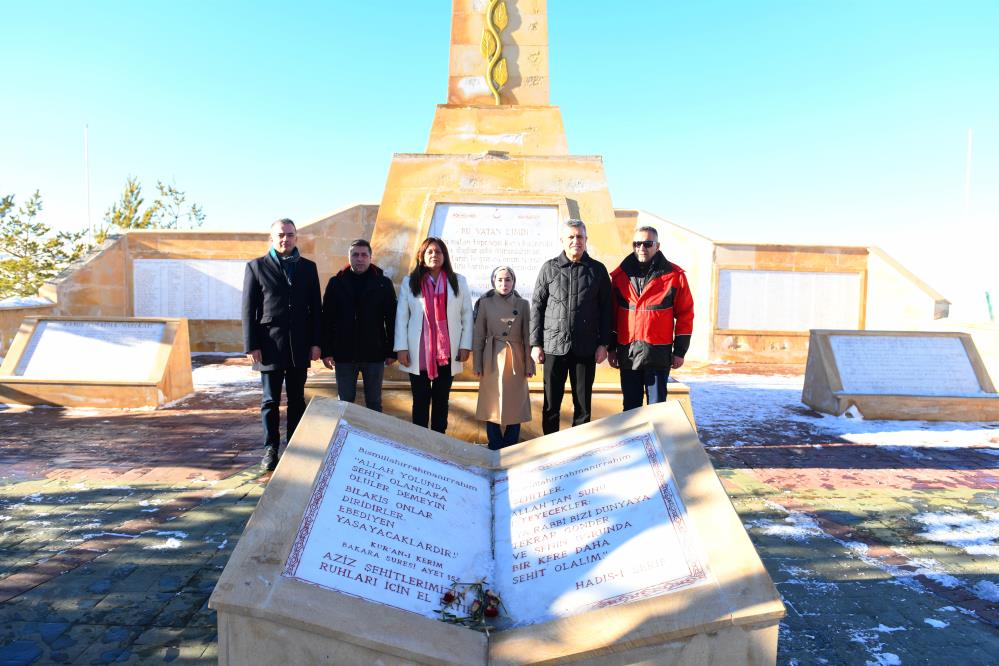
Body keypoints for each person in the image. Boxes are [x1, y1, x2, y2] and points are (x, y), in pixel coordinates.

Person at [242, 218, 322, 471]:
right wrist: (251, 344)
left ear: (296, 238)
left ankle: (295, 447)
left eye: (289, 235)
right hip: (269, 345)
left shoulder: (308, 268)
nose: (285, 239)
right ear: (272, 238)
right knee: (270, 401)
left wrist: (316, 343)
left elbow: (315, 309)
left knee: (297, 399)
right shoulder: (256, 267)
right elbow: (248, 309)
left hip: (299, 345)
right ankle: (270, 448)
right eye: (280, 235)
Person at [530, 219, 612, 434]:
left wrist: (604, 343)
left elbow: (607, 310)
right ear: (562, 240)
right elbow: (537, 306)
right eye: (571, 237)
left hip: (585, 348)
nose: (576, 241)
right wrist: (535, 344)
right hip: (553, 347)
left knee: (583, 406)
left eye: (580, 237)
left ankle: (578, 453)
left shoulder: (597, 270)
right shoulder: (549, 268)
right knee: (550, 405)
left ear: (586, 240)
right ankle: (548, 450)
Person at [608, 226, 694, 410]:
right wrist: (611, 348)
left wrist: (680, 351)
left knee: (657, 411)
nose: (642, 248)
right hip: (628, 354)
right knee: (630, 411)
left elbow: (686, 314)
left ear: (657, 246)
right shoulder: (620, 276)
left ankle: (656, 440)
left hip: (658, 356)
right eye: (637, 243)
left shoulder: (674, 276)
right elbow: (612, 316)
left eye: (648, 243)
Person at [394, 237, 473, 433]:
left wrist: (465, 345)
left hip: (447, 352)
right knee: (420, 400)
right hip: (418, 350)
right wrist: (401, 347)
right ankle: (420, 443)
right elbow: (402, 317)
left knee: (441, 400)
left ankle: (439, 441)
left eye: (438, 252)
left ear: (444, 256)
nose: (434, 255)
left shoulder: (458, 281)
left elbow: (467, 316)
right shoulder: (410, 281)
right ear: (421, 256)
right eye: (429, 252)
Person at [320, 239, 397, 412]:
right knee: (345, 404)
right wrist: (326, 351)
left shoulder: (383, 283)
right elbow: (327, 319)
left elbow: (391, 319)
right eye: (355, 255)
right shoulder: (336, 283)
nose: (359, 259)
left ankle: (373, 438)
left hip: (374, 353)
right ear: (349, 257)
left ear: (370, 257)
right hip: (344, 353)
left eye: (364, 255)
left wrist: (392, 350)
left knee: (374, 403)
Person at [472, 266, 534, 449]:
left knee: (515, 400)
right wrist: (477, 363)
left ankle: (510, 443)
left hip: (515, 356)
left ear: (513, 282)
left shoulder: (523, 304)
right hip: (491, 355)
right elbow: (479, 335)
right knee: (491, 400)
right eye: (500, 280)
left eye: (508, 280)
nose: (504, 283)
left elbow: (528, 335)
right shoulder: (485, 303)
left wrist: (529, 364)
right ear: (493, 281)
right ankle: (495, 442)